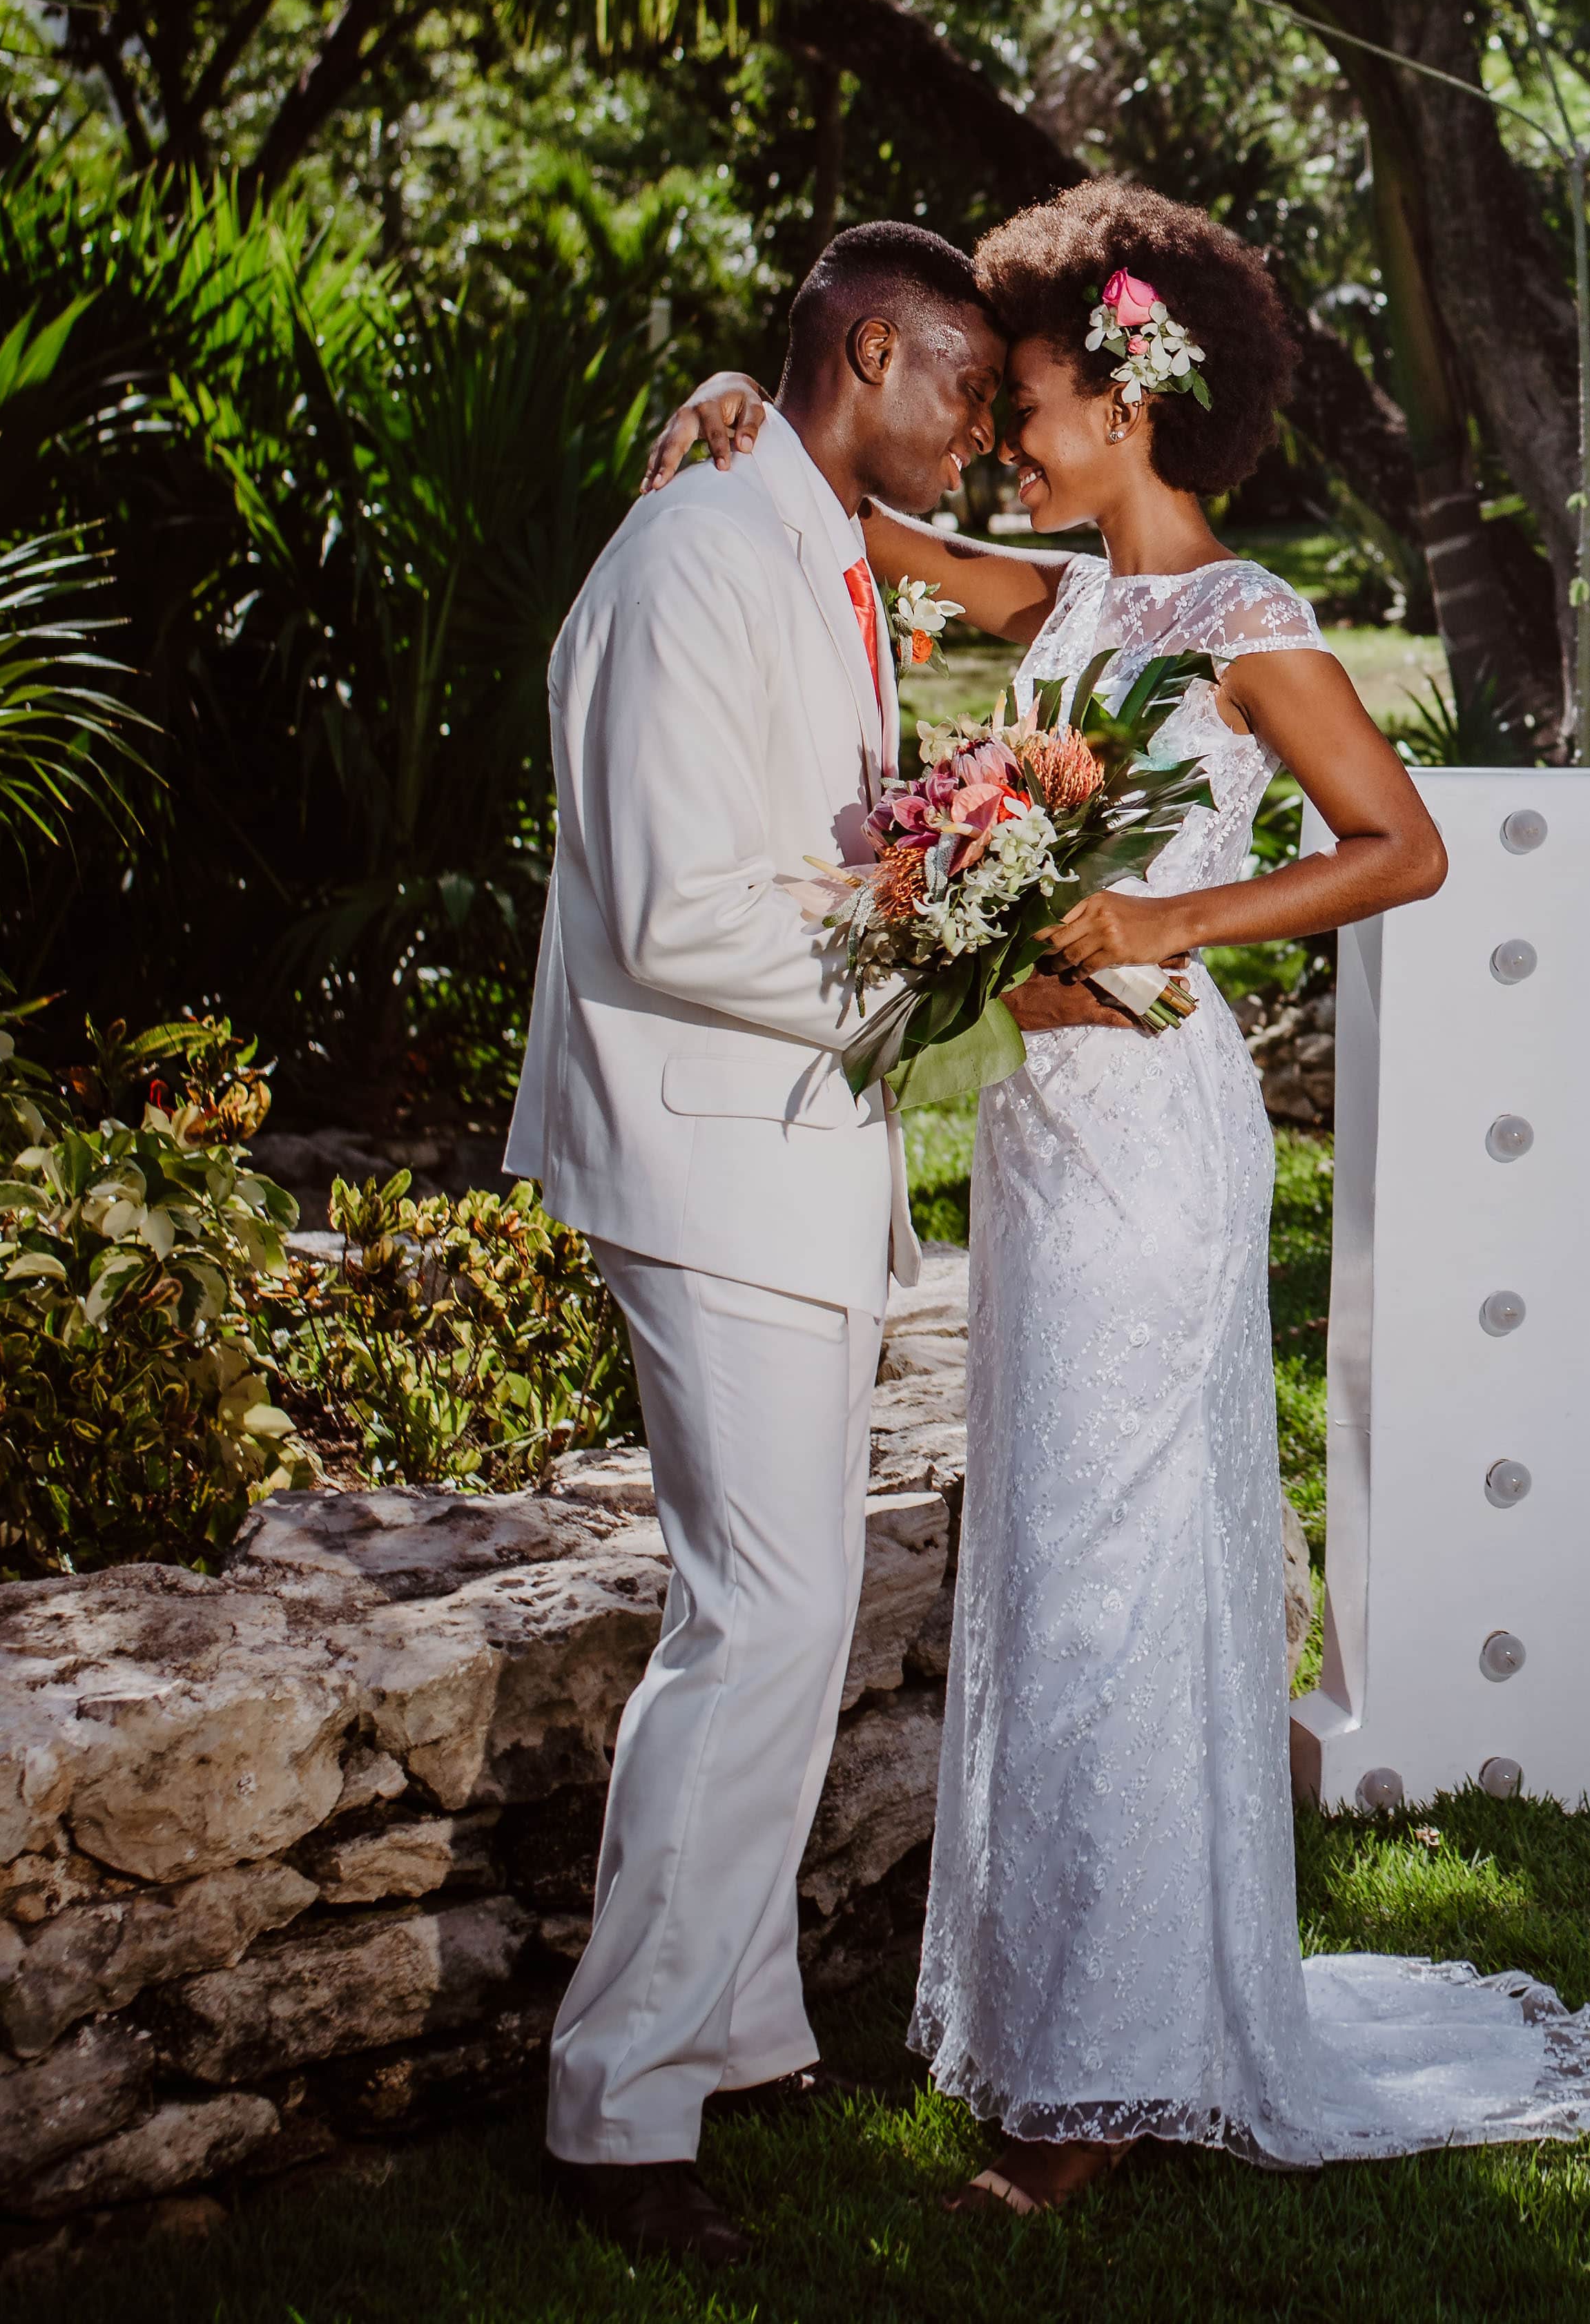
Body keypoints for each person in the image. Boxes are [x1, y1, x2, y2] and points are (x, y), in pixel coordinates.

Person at [643, 179, 1590, 2215]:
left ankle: (1095, 2088)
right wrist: (746, 396)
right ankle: (1068, 2014)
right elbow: (866, 528)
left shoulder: (1247, 623)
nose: (1001, 430)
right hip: (1037, 1136)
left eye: (1029, 397)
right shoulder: (1065, 602)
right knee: (1053, 1578)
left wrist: (1174, 909)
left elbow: (1401, 848)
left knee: (1115, 1575)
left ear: (1139, 391)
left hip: (1157, 1135)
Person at [514, 220, 1000, 2271]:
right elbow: (669, 909)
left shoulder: (797, 534)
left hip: (789, 1158)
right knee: (766, 1620)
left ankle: (730, 2032)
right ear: (872, 357)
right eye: (963, 391)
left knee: (781, 1620)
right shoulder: (693, 559)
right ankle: (619, 2114)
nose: (976, 436)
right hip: (704, 1161)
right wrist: (933, 932)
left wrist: (944, 859)